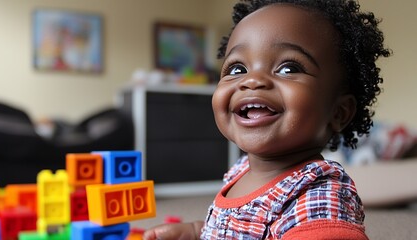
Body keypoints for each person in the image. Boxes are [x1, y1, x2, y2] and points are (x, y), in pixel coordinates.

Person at [143, 0, 391, 239]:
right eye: (237, 69)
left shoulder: (316, 199)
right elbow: (229, 230)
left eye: (289, 68)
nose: (252, 80)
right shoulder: (240, 171)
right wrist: (196, 232)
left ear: (339, 112)